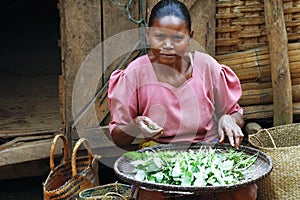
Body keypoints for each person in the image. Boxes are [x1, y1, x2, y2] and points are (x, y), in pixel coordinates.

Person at [108, 0, 257, 199]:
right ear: (147, 35)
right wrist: (136, 126)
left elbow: (235, 112)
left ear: (190, 37)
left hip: (208, 151)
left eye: (177, 37)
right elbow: (118, 136)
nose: (167, 46)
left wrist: (229, 119)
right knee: (150, 193)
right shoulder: (135, 73)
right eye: (159, 36)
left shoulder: (207, 66)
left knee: (244, 190)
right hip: (159, 154)